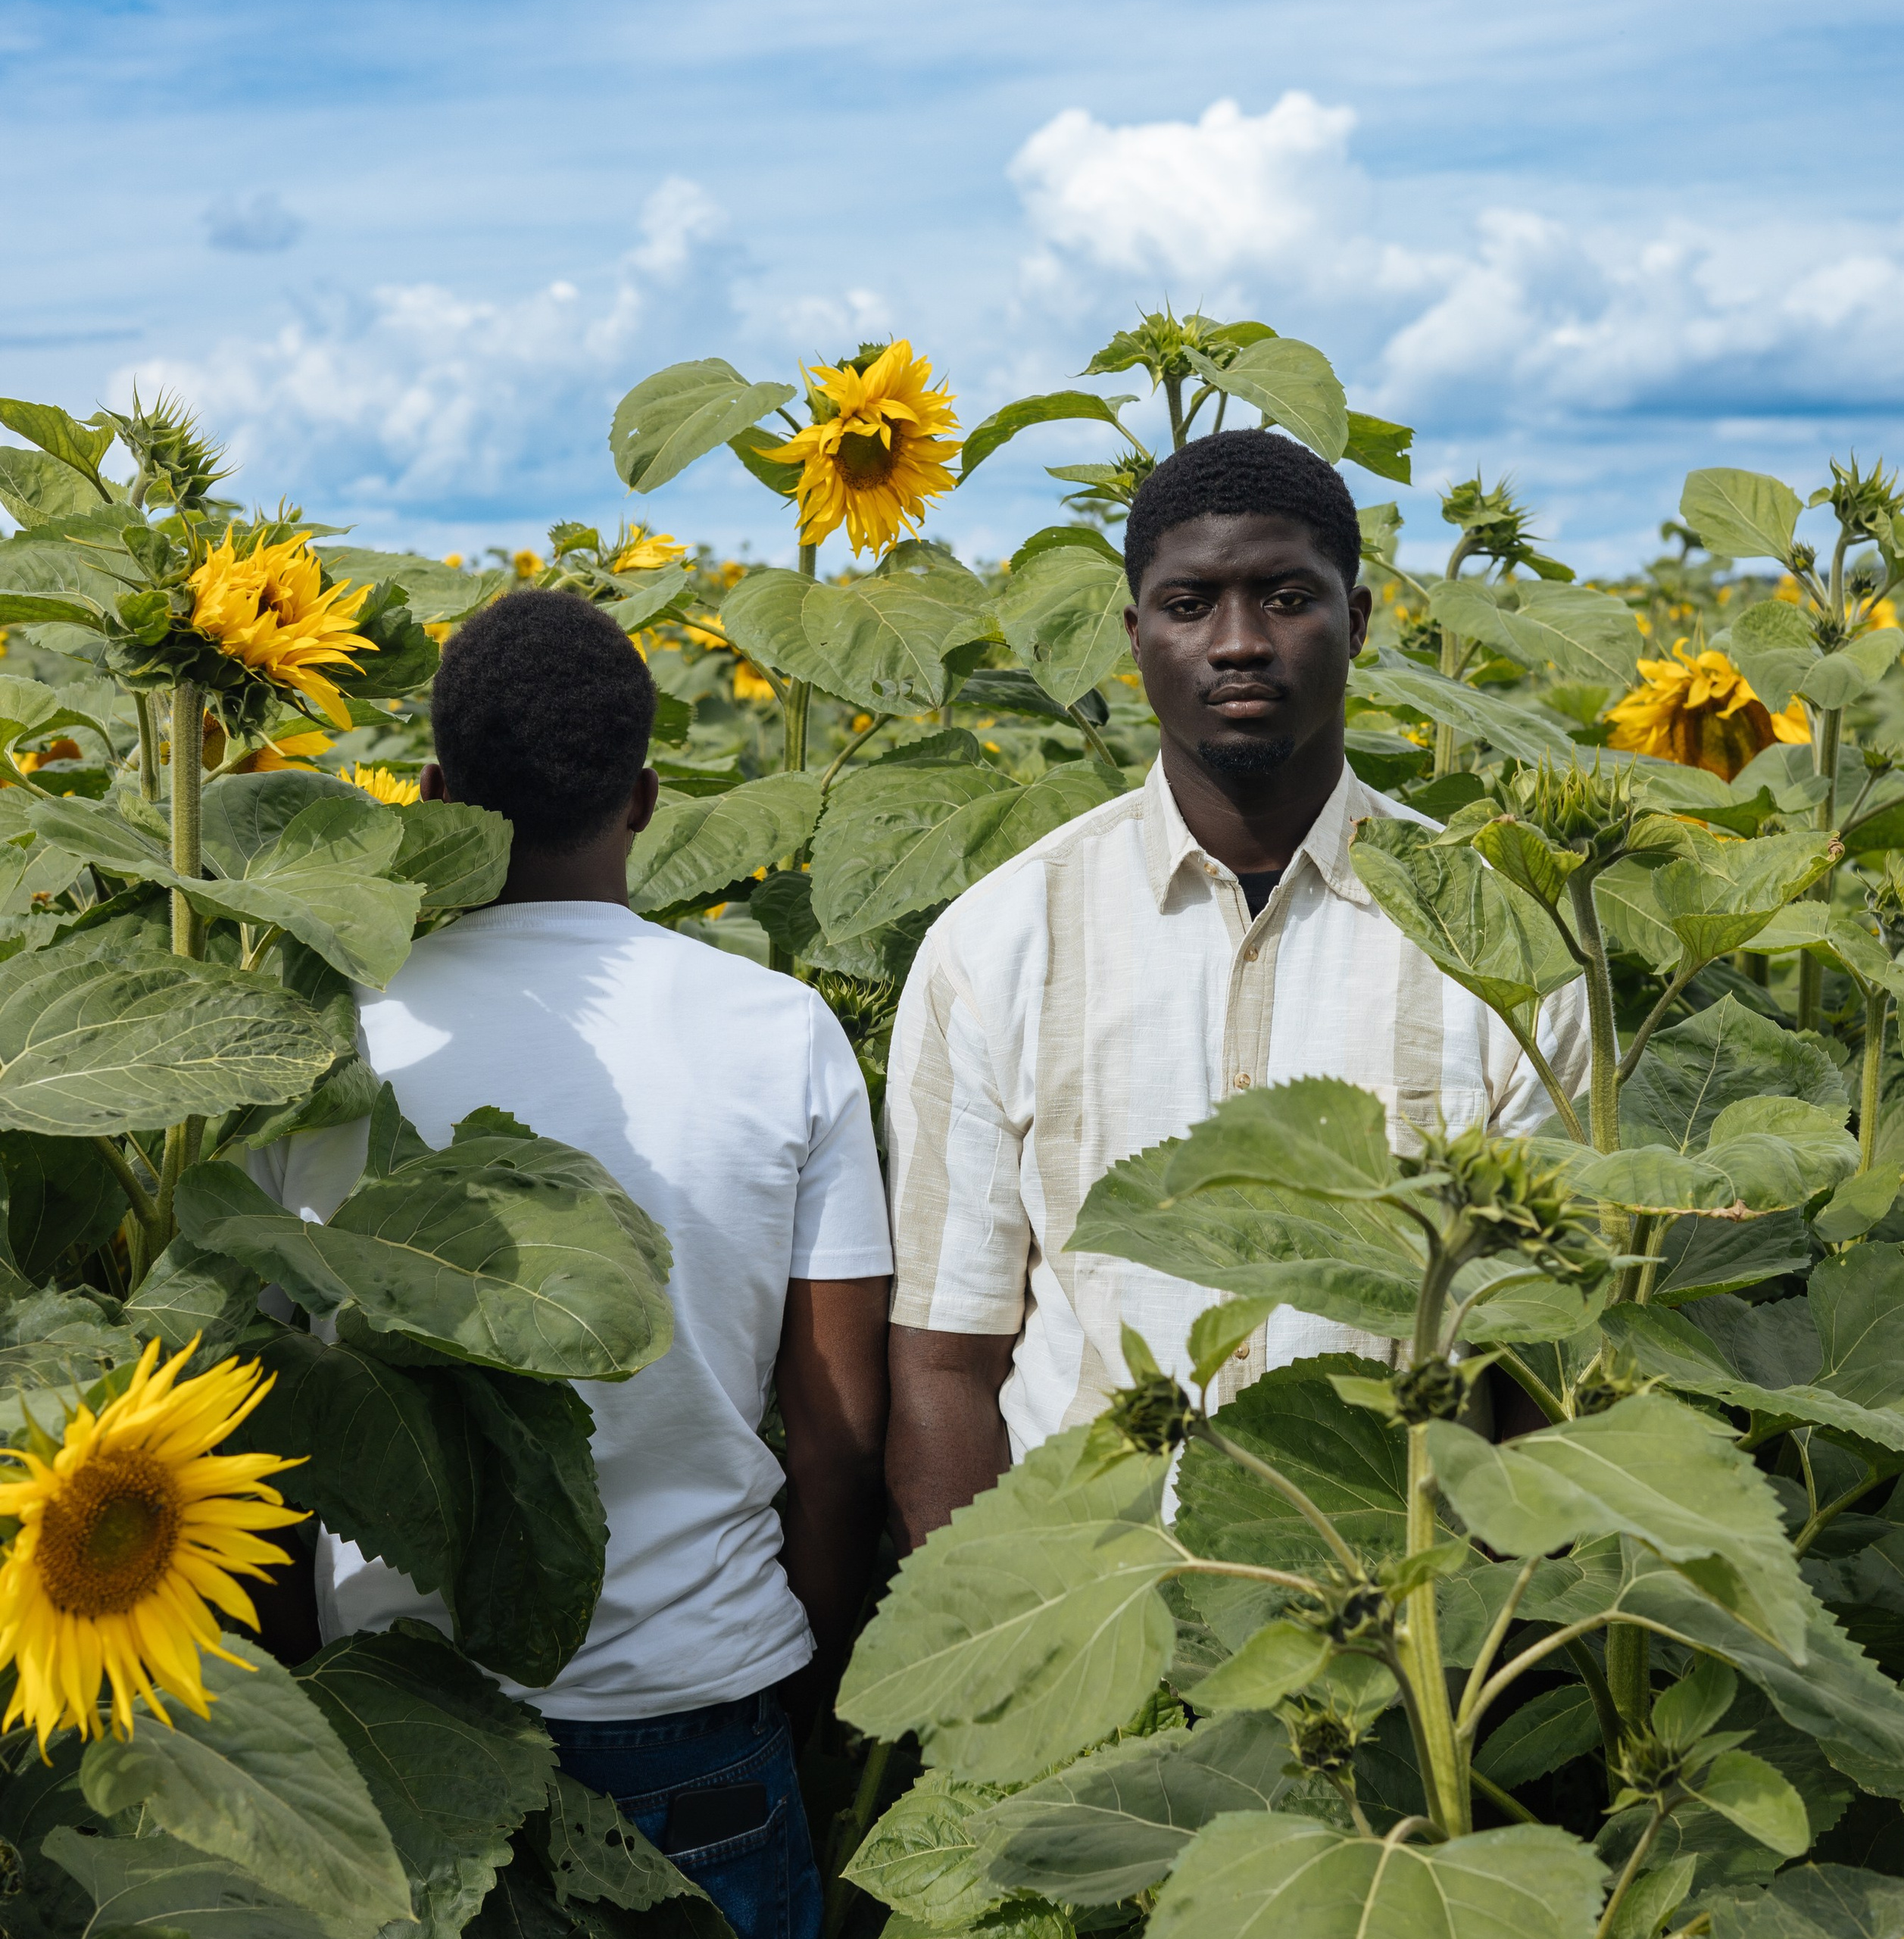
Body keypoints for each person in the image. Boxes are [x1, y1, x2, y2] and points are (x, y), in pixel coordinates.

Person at [248, 589, 891, 1939]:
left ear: (432, 792)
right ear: (647, 798)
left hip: (404, 1713)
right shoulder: (782, 1032)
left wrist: (309, 1678)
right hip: (697, 1710)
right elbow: (837, 1436)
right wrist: (802, 1679)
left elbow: (260, 1408)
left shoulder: (319, 1043)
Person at [880, 428, 1590, 1550]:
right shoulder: (1001, 942)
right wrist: (993, 1654)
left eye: (1286, 597)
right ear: (1135, 636)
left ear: (1356, 622)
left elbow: (1540, 1360)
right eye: (1190, 604)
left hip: (1400, 1620)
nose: (1240, 643)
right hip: (1097, 1603)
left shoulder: (1494, 941)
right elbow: (944, 1357)